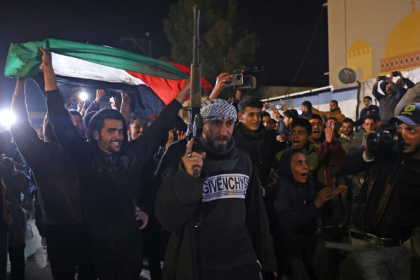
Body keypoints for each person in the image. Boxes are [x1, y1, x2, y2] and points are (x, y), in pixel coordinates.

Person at [39, 47, 190, 279]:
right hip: (92, 246)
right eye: (111, 131)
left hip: (128, 246)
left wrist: (185, 90)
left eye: (120, 131)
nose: (118, 136)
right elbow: (60, 119)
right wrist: (48, 71)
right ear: (96, 134)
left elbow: (162, 123)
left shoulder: (134, 153)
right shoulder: (83, 155)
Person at [155, 99, 277, 280]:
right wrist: (186, 176)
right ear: (201, 125)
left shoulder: (243, 159)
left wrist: (268, 260)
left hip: (242, 261)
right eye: (215, 123)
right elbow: (167, 217)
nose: (223, 131)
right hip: (200, 263)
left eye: (229, 124)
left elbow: (256, 214)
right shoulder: (180, 156)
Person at [10, 78, 96, 280]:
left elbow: (20, 123)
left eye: (76, 121)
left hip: (77, 228)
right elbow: (20, 124)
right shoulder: (42, 152)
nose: (72, 124)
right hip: (69, 229)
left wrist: (20, 86)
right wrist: (20, 86)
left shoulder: (83, 152)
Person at [341, 103, 420, 280]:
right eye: (400, 128)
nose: (403, 135)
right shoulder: (387, 151)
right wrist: (368, 153)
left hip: (402, 245)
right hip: (367, 243)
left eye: (411, 130)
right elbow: (346, 167)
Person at [271, 149, 340, 280]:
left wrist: (327, 197)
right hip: (289, 253)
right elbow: (288, 220)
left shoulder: (302, 186)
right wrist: (316, 204)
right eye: (299, 163)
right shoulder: (282, 189)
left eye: (306, 162)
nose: (305, 166)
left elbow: (315, 201)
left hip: (304, 247)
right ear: (287, 166)